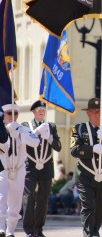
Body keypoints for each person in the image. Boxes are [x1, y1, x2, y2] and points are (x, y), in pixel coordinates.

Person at [70, 98, 102, 237]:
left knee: (100, 208)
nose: (97, 115)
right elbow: (74, 150)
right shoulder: (79, 129)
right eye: (93, 112)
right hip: (85, 175)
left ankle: (95, 231)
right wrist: (91, 149)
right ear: (88, 113)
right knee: (88, 206)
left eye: (99, 112)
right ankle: (89, 234)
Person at [22, 100, 62, 237]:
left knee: (43, 199)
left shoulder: (51, 127)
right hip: (30, 166)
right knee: (29, 197)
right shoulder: (25, 125)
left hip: (46, 167)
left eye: (43, 109)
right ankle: (29, 229)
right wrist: (36, 132)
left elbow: (58, 146)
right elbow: (25, 142)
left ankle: (38, 229)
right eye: (38, 109)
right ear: (33, 112)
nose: (41, 111)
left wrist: (50, 138)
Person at [0, 103, 40, 237]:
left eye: (15, 114)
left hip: (18, 168)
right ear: (4, 115)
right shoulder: (1, 129)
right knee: (1, 198)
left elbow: (36, 142)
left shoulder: (23, 129)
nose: (12, 116)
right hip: (3, 169)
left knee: (15, 202)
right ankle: (1, 228)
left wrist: (19, 135)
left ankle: (10, 231)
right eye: (9, 113)